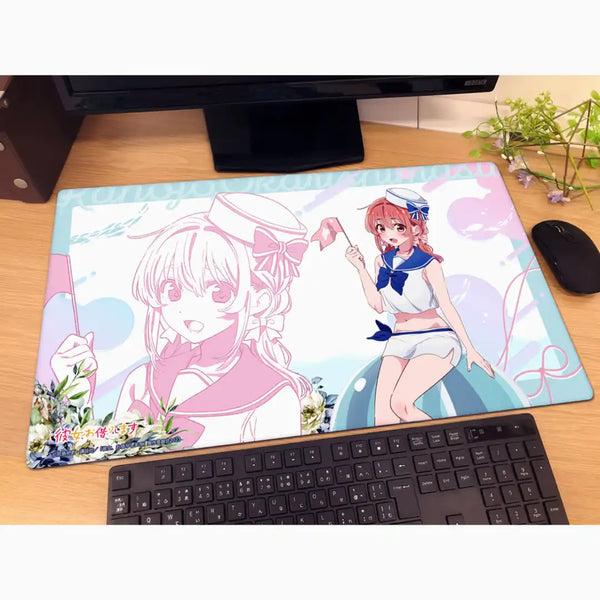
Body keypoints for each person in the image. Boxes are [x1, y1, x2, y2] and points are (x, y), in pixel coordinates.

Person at [50, 192, 311, 448]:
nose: (188, 308)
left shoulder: (273, 395)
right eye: (173, 291)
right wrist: (77, 392)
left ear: (260, 301)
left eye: (218, 292)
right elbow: (107, 453)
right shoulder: (142, 381)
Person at [345, 187, 494, 425]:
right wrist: (360, 268)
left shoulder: (429, 264)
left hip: (435, 336)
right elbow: (378, 305)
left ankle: (447, 439)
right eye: (381, 228)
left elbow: (447, 305)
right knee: (383, 417)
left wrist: (470, 348)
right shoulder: (381, 261)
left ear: (415, 228)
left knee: (401, 404)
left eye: (398, 226)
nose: (388, 234)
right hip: (399, 339)